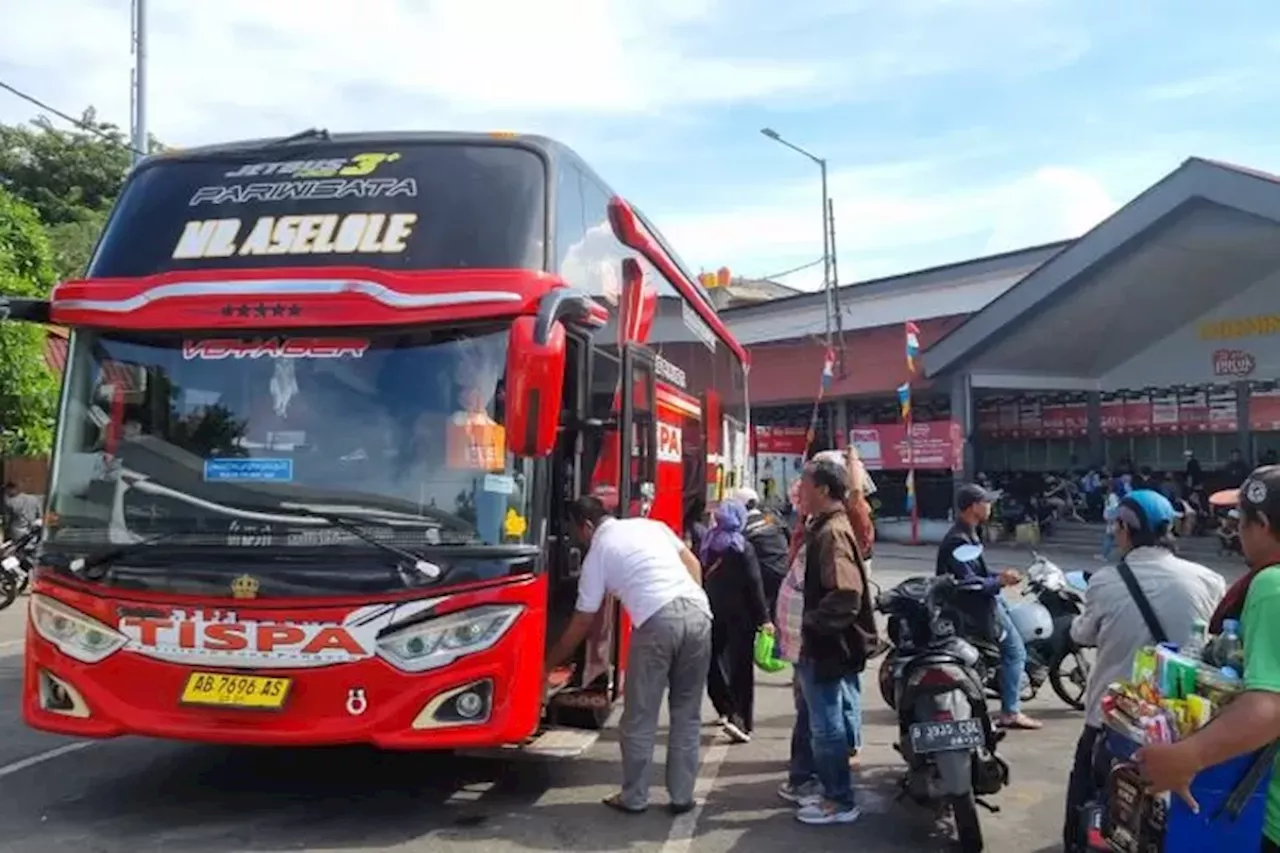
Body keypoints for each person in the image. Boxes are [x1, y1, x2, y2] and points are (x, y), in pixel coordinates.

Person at [1061, 489, 1224, 851]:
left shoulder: (1105, 581)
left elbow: (1081, 633)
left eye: (1115, 526)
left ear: (1124, 528)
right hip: (1179, 727)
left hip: (1113, 721)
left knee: (1084, 796)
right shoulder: (1208, 580)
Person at [1137, 466, 1280, 852]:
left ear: (1262, 524)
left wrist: (1187, 755)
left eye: (1240, 521)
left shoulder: (1272, 585)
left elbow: (1270, 704)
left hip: (1267, 813)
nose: (1236, 531)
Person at [545, 495, 712, 815]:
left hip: (656, 620)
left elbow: (583, 619)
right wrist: (691, 603)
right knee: (686, 714)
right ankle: (681, 797)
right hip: (699, 614)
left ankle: (635, 797)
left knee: (640, 716)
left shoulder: (598, 553)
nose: (578, 538)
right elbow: (693, 564)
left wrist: (549, 664)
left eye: (577, 531)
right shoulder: (650, 526)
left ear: (587, 526)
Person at [790, 456, 876, 825]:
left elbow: (845, 594)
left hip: (824, 646)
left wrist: (810, 624)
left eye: (805, 485)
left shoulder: (832, 532)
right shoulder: (823, 526)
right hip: (819, 644)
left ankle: (838, 800)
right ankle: (828, 792)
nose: (799, 492)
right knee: (823, 720)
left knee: (827, 727)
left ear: (823, 489)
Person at [937, 483, 1041, 730]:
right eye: (987, 502)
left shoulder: (969, 533)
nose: (990, 507)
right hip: (973, 609)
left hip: (984, 601)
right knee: (1016, 652)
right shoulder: (958, 540)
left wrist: (999, 577)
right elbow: (968, 583)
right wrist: (999, 580)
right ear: (973, 507)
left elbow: (977, 573)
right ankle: (1010, 712)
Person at [701, 500, 773, 744]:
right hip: (742, 616)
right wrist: (764, 618)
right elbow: (755, 585)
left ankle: (724, 705)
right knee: (741, 668)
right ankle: (740, 718)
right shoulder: (743, 547)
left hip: (713, 611)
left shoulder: (708, 543)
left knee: (712, 660)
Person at [734, 487, 790, 615]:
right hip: (784, 568)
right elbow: (788, 535)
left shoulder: (743, 526)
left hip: (763, 575)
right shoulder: (770, 518)